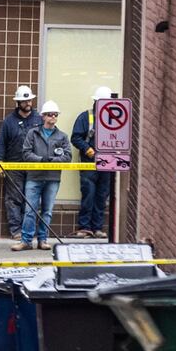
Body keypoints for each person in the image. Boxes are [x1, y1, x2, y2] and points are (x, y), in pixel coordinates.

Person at [14, 100, 73, 251]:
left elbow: (67, 156)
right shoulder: (32, 133)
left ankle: (43, 239)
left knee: (47, 211)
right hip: (34, 177)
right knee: (30, 210)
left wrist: (51, 160)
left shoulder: (62, 137)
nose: (53, 117)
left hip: (52, 179)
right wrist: (41, 160)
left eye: (55, 115)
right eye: (50, 115)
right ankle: (26, 240)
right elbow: (26, 153)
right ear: (43, 116)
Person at [70, 85, 114, 237]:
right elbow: (75, 137)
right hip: (90, 163)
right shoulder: (86, 117)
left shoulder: (114, 118)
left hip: (107, 163)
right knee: (89, 195)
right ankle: (84, 228)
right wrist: (87, 149)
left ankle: (97, 228)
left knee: (102, 196)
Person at [0, 84, 38, 239]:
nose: (28, 104)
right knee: (14, 198)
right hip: (14, 166)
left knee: (31, 198)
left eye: (29, 101)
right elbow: (1, 143)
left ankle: (28, 230)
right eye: (25, 101)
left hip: (34, 166)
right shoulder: (9, 121)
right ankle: (16, 230)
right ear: (18, 103)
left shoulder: (38, 119)